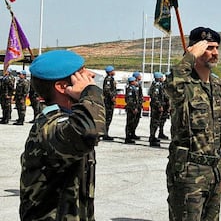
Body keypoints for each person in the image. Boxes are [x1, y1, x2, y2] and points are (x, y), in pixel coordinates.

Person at [19, 50, 106, 221]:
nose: (90, 75)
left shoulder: (67, 119)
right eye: (81, 73)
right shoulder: (48, 127)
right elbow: (89, 130)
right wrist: (91, 92)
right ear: (62, 87)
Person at [164, 27, 221, 221]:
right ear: (196, 50)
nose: (215, 53)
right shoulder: (184, 86)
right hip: (189, 174)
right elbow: (172, 84)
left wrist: (220, 172)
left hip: (214, 173)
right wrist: (189, 56)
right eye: (209, 48)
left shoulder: (219, 87)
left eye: (216, 48)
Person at [148, 72, 164, 147]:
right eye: (161, 77)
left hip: (156, 106)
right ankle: (152, 138)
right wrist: (159, 106)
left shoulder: (157, 85)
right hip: (156, 107)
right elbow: (155, 97)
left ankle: (153, 137)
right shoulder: (156, 86)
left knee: (156, 122)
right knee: (154, 122)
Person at [102, 65, 117, 140]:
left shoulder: (111, 79)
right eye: (113, 70)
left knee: (109, 118)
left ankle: (105, 133)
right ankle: (105, 134)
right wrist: (112, 97)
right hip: (108, 102)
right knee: (107, 118)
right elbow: (107, 90)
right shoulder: (108, 79)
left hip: (110, 101)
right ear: (110, 72)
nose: (114, 72)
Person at [124, 76, 140, 144]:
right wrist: (133, 108)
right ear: (132, 82)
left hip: (134, 107)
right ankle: (128, 138)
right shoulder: (130, 89)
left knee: (132, 123)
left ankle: (130, 136)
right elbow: (129, 100)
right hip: (131, 109)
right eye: (134, 81)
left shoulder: (134, 88)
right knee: (129, 123)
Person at [132, 71, 144, 139]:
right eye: (139, 75)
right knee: (132, 121)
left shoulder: (138, 84)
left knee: (136, 120)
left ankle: (133, 133)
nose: (140, 77)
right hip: (135, 105)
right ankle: (130, 134)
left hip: (138, 105)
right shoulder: (133, 85)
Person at [158, 73, 171, 140]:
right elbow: (165, 95)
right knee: (162, 120)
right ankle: (160, 132)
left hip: (167, 104)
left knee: (163, 120)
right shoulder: (165, 84)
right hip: (165, 104)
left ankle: (161, 132)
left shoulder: (168, 83)